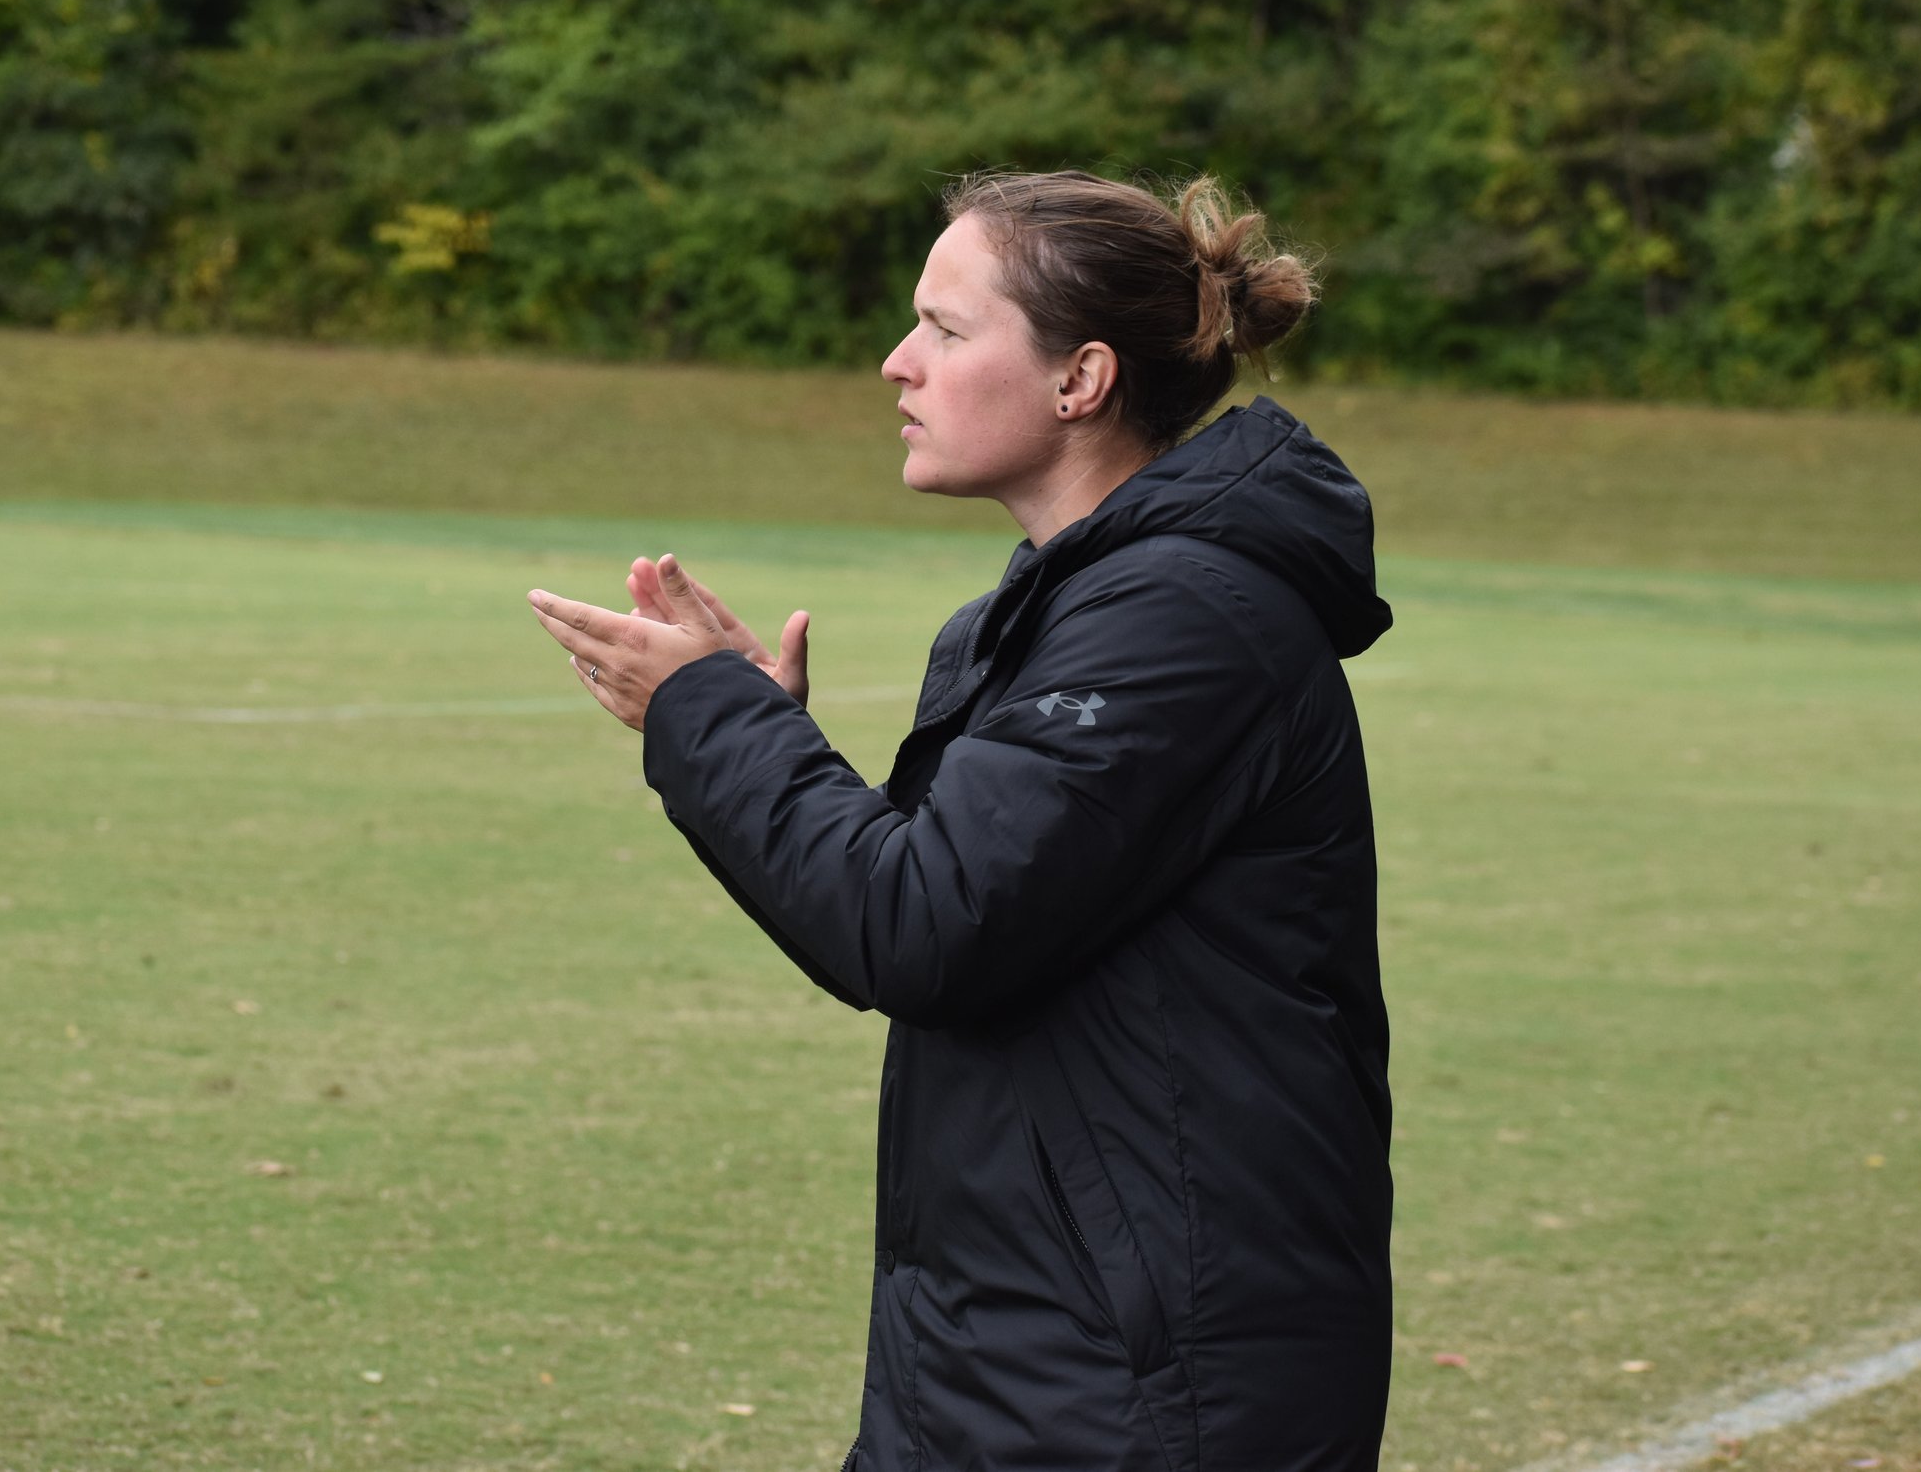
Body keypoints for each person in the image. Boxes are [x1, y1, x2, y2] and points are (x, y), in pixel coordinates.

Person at [528, 170, 1393, 1472]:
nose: (895, 364)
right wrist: (755, 733)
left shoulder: (1181, 623)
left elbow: (919, 924)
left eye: (943, 329)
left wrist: (713, 723)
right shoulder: (1061, 611)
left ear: (1079, 379)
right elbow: (959, 902)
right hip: (1024, 1356)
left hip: (1149, 1390)